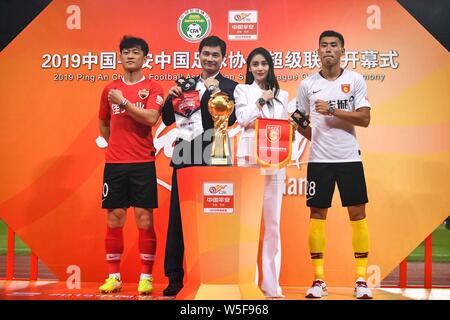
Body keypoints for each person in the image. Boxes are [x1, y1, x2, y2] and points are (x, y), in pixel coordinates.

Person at [294, 30, 373, 299]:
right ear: (318, 51)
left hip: (350, 158)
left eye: (333, 46)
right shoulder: (307, 85)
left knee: (358, 215)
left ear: (342, 51)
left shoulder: (355, 80)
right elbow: (304, 123)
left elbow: (364, 119)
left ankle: (361, 280)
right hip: (319, 161)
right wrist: (305, 129)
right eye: (324, 46)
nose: (328, 50)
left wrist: (332, 110)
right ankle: (319, 280)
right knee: (317, 215)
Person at [161, 35, 238, 296]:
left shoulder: (230, 86)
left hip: (215, 151)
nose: (210, 58)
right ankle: (174, 277)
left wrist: (215, 91)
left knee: (216, 216)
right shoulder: (185, 84)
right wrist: (170, 97)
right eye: (206, 53)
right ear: (199, 55)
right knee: (178, 217)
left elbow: (233, 118)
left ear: (223, 59)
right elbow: (169, 117)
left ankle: (215, 274)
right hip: (185, 152)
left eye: (215, 55)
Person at [97, 36, 163, 295]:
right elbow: (103, 124)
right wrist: (116, 145)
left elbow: (151, 118)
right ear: (120, 57)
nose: (130, 56)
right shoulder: (109, 89)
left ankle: (145, 278)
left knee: (144, 219)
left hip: (143, 163)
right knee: (114, 218)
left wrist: (124, 102)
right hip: (115, 164)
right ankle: (114, 277)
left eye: (135, 52)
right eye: (125, 52)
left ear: (145, 58)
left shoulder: (153, 88)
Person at [234, 47, 293, 298]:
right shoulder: (242, 90)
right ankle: (248, 282)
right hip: (248, 160)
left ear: (270, 66)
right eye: (255, 64)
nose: (259, 68)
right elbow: (242, 119)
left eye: (264, 64)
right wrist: (261, 100)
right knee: (247, 225)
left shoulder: (283, 94)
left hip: (275, 162)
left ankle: (271, 285)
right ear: (248, 68)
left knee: (273, 224)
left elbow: (283, 128)